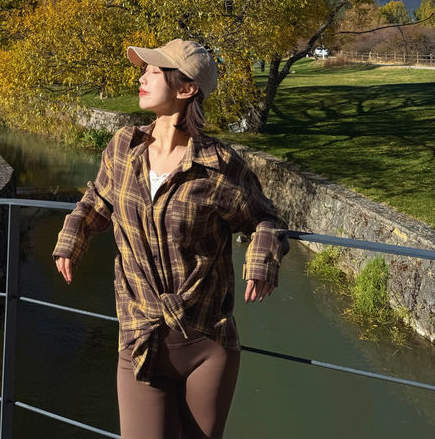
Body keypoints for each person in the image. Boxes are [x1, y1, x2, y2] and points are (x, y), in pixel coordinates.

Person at [53, 39, 288, 439]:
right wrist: (74, 234)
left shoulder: (218, 166)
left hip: (206, 342)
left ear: (186, 88)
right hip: (139, 336)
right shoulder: (124, 147)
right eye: (144, 70)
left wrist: (262, 259)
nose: (141, 78)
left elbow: (265, 218)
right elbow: (98, 199)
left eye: (154, 71)